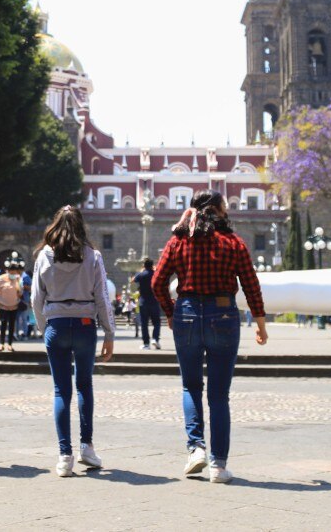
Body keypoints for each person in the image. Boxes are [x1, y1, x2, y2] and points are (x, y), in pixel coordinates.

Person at [151, 191, 267, 484]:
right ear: (217, 209)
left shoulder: (178, 242)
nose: (228, 210)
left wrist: (170, 312)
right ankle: (218, 466)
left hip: (187, 314)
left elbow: (157, 281)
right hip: (223, 315)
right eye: (225, 206)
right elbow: (251, 284)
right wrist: (260, 323)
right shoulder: (233, 242)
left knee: (191, 387)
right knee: (218, 395)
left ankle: (196, 449)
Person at [32, 206, 115, 477]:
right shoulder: (93, 256)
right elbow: (102, 297)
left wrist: (44, 327)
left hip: (56, 324)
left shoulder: (44, 255)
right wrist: (109, 333)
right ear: (81, 227)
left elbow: (36, 298)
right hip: (84, 324)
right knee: (84, 385)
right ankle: (87, 447)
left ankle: (64, 456)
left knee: (61, 391)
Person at [0, 260, 25, 352]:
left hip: (14, 306)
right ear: (8, 271)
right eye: (11, 272)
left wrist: (19, 284)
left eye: (14, 273)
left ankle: (10, 344)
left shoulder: (18, 279)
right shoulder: (1, 278)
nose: (13, 274)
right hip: (3, 306)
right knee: (3, 325)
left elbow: (20, 293)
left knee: (12, 325)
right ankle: (1, 344)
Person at [132, 258, 161, 349]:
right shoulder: (155, 274)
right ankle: (155, 339)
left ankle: (146, 344)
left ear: (144, 265)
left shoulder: (141, 274)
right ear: (152, 265)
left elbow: (133, 280)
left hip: (143, 302)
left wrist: (141, 271)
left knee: (144, 324)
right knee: (156, 322)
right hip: (154, 301)